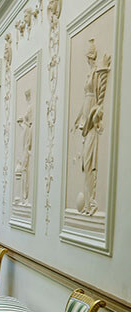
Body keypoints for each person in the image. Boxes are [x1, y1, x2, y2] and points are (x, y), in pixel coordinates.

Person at [74, 39, 111, 215]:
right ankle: (88, 202)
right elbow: (86, 98)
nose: (89, 58)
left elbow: (96, 100)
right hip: (85, 119)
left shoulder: (96, 72)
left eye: (89, 54)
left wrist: (90, 119)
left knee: (88, 162)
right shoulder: (90, 72)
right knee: (84, 163)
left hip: (91, 121)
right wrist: (77, 118)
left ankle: (91, 203)